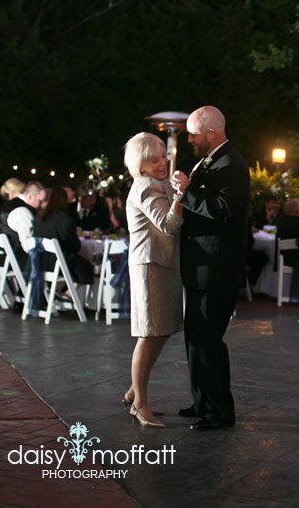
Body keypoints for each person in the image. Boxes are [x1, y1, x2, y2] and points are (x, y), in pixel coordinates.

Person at [170, 105, 249, 430]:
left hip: (217, 269)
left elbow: (225, 209)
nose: (189, 139)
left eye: (193, 134)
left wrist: (187, 191)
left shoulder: (232, 164)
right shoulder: (212, 161)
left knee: (208, 340)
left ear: (212, 133)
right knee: (196, 338)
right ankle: (202, 401)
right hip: (202, 267)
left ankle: (219, 411)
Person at [120, 132, 184, 429]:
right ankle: (140, 405)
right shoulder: (145, 186)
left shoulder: (158, 183)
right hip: (150, 266)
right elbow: (169, 225)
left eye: (162, 156)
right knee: (149, 334)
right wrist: (181, 195)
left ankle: (135, 390)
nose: (162, 163)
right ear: (140, 164)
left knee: (160, 331)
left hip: (161, 264)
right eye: (153, 159)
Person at [33, 187, 94, 286]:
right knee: (85, 265)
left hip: (40, 261)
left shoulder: (38, 218)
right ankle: (67, 293)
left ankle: (58, 291)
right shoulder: (64, 219)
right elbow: (75, 246)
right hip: (58, 264)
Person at [0, 180, 46, 266]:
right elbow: (28, 245)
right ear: (30, 196)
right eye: (40, 201)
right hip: (12, 260)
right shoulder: (23, 212)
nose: (42, 205)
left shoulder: (5, 207)